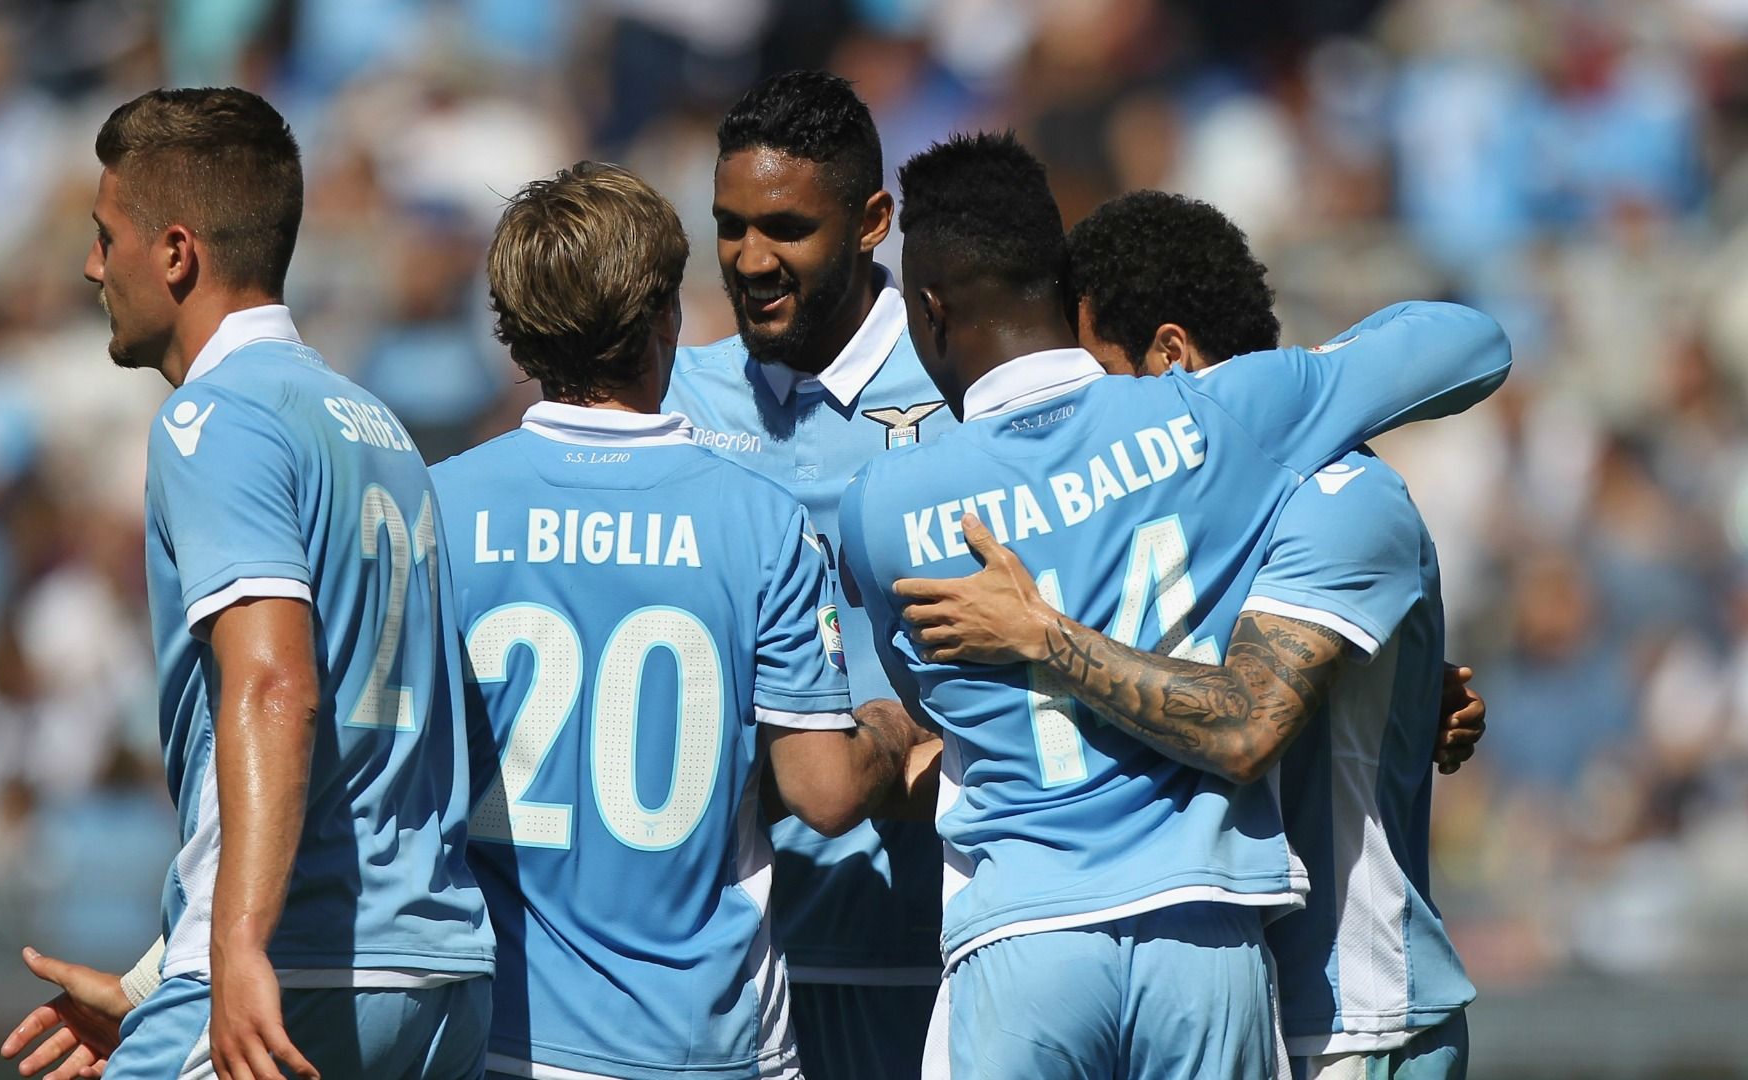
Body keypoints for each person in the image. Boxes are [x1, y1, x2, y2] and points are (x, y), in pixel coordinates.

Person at [837, 133, 1511, 1078]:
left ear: (931, 307)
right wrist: (1286, 394)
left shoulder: (883, 501)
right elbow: (1468, 342)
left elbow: (937, 719)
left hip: (1056, 942)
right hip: (1215, 936)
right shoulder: (1222, 424)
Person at [0, 87, 494, 1080]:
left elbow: (275, 685)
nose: (92, 266)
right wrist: (154, 976)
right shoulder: (375, 426)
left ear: (176, 253)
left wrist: (228, 954)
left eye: (106, 236)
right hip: (437, 982)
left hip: (300, 968)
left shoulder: (215, 422)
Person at [431, 160, 936, 1080]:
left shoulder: (440, 510)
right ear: (666, 313)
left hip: (498, 1028)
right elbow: (824, 794)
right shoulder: (755, 517)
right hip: (699, 1036)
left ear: (513, 336)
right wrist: (890, 728)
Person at [663, 69, 947, 1080]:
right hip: (725, 966)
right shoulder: (673, 398)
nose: (749, 258)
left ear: (874, 220)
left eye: (785, 227)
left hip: (926, 952)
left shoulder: (962, 391)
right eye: (730, 225)